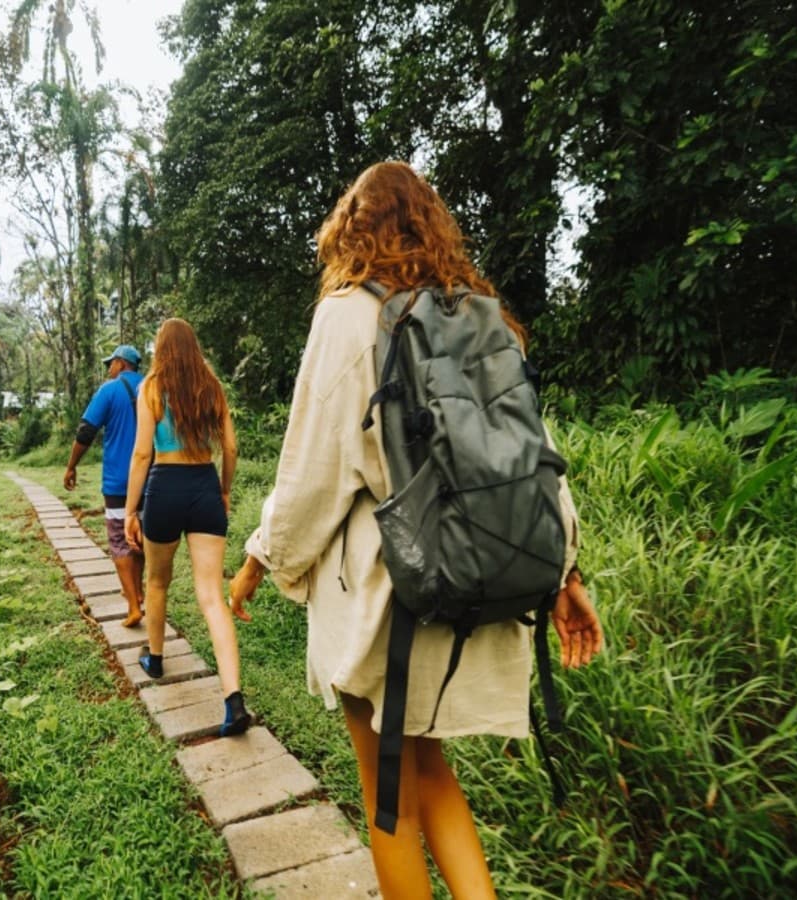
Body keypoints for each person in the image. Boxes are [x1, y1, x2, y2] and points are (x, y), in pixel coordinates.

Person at [228, 161, 604, 898]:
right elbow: (533, 457)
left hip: (385, 591)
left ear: (351, 229)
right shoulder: (478, 313)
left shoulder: (347, 314)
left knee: (388, 792)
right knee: (428, 772)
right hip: (469, 564)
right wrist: (566, 573)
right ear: (431, 226)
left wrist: (260, 560)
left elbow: (312, 471)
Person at [123, 318, 251, 737]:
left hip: (165, 488)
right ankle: (233, 700)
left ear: (161, 348)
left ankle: (155, 658)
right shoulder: (210, 386)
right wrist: (226, 490)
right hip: (204, 487)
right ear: (193, 346)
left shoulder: (152, 387)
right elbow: (230, 447)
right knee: (212, 596)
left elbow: (143, 454)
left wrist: (129, 510)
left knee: (157, 581)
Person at [64, 344, 146, 627]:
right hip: (151, 478)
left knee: (119, 539)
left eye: (110, 363)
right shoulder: (154, 388)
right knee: (140, 536)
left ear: (122, 364)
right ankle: (138, 591)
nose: (108, 369)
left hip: (118, 482)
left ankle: (134, 605)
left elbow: (86, 430)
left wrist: (72, 465)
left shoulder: (109, 390)